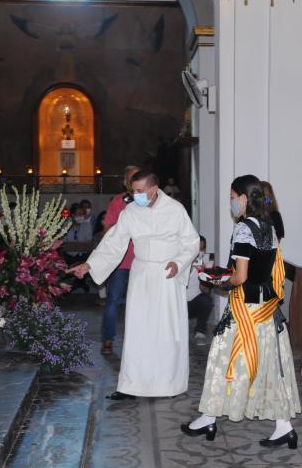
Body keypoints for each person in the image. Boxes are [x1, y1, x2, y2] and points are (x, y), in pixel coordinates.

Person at [181, 175, 301, 447]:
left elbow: (240, 276)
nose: (231, 203)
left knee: (223, 359)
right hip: (267, 308)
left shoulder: (244, 228)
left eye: (233, 198)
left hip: (246, 308)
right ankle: (284, 427)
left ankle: (208, 418)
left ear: (245, 198)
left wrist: (217, 281)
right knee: (271, 365)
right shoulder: (269, 226)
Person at [67, 170, 200, 399]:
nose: (134, 195)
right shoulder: (130, 211)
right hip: (141, 274)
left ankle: (167, 384)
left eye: (139, 191)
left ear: (154, 189)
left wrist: (179, 263)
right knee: (138, 330)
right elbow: (114, 242)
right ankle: (132, 385)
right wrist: (89, 265)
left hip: (167, 275)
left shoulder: (175, 210)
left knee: (165, 330)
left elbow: (191, 242)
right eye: (133, 191)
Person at [97, 166, 139, 355]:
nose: (135, 182)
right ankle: (107, 339)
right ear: (125, 183)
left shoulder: (149, 201)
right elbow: (106, 231)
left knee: (141, 303)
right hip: (121, 264)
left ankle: (141, 340)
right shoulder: (117, 202)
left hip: (143, 262)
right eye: (131, 179)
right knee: (113, 301)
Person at [187, 235, 214, 345]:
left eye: (202, 249)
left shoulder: (208, 260)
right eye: (197, 250)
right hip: (179, 304)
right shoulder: (181, 260)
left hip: (195, 303)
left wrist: (203, 274)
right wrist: (189, 268)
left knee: (207, 300)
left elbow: (206, 291)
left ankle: (200, 332)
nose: (200, 253)